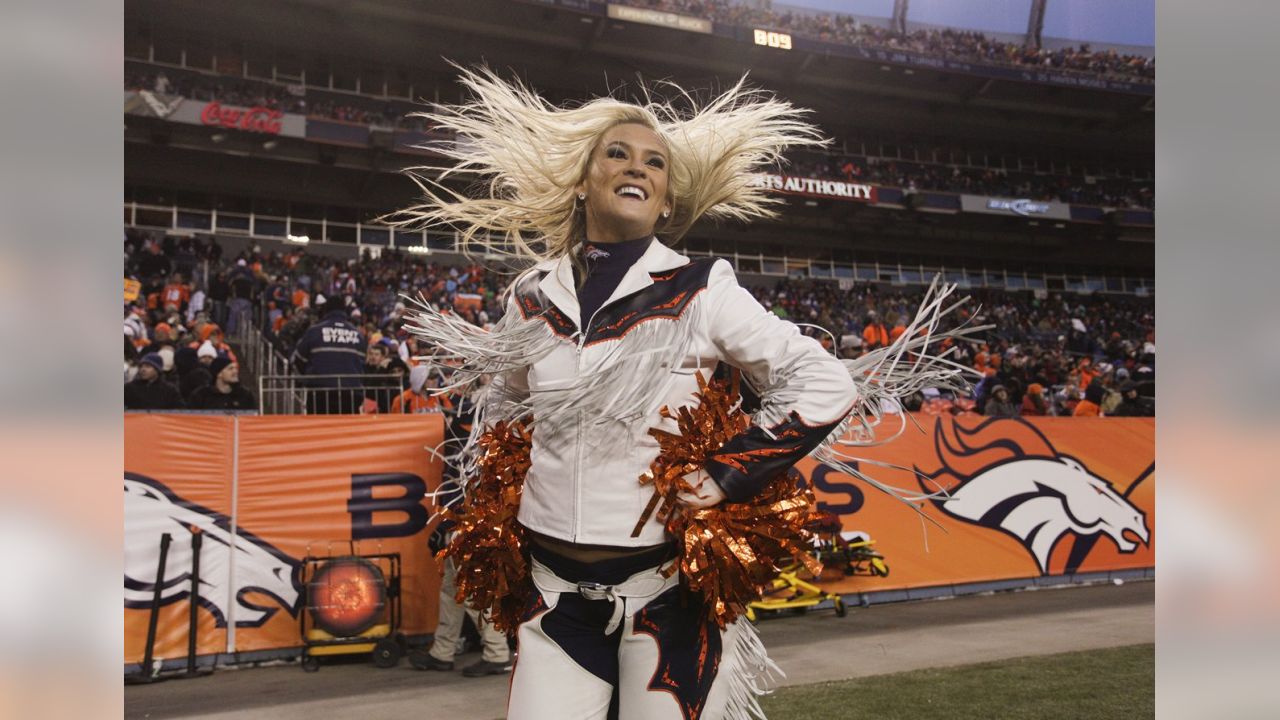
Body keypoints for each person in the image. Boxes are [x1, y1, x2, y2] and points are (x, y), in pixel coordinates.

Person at [388, 69, 877, 720]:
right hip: (552, 595)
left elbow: (825, 380)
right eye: (616, 152)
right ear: (583, 181)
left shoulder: (703, 288)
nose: (636, 166)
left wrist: (728, 473)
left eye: (655, 162)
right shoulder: (531, 296)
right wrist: (498, 489)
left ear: (668, 201)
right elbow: (504, 401)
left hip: (666, 597)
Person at [291, 298, 367, 414]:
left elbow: (298, 359)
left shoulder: (314, 331)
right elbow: (363, 364)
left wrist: (306, 378)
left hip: (320, 392)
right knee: (349, 430)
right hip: (351, 393)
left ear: (326, 310)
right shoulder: (357, 335)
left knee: (320, 430)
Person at [188, 355, 256, 410]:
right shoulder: (201, 395)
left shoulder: (245, 395)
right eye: (230, 368)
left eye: (236, 368)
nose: (235, 371)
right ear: (219, 373)